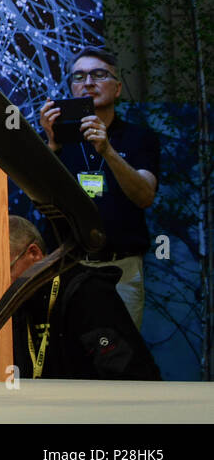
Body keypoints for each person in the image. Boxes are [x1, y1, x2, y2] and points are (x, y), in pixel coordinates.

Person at [38, 47, 159, 328]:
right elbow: (39, 202)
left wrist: (107, 150)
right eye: (78, 76)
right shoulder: (57, 140)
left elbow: (144, 196)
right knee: (68, 362)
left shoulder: (139, 138)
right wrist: (52, 146)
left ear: (117, 89)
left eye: (98, 74)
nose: (88, 82)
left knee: (120, 363)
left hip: (121, 269)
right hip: (66, 267)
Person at [0, 216, 159, 381]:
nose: (0, 285)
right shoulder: (14, 306)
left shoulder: (87, 292)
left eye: (4, 271)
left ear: (34, 253)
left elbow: (130, 375)